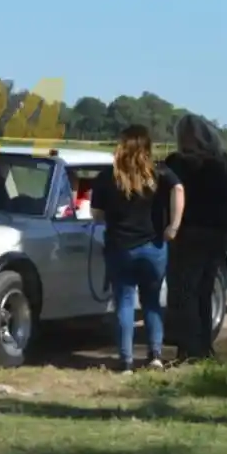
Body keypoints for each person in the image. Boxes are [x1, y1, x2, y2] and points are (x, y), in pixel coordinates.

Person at [90, 124, 185, 373]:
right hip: (153, 246)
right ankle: (155, 356)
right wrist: (173, 226)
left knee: (124, 302)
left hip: (120, 247)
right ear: (147, 146)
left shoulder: (107, 177)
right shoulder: (159, 172)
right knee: (152, 301)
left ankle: (126, 361)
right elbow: (178, 188)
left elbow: (96, 214)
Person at [163, 113, 227, 362]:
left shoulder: (177, 163)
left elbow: (168, 193)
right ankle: (203, 345)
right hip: (223, 230)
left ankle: (188, 347)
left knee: (184, 288)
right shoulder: (224, 163)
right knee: (205, 288)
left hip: (192, 228)